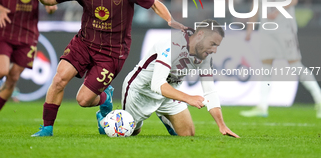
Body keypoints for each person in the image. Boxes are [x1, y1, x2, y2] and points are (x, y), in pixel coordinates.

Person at [23, 0, 185, 137]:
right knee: (58, 79)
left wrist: (170, 21)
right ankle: (47, 128)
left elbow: (153, 3)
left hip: (111, 52)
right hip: (83, 43)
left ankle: (105, 98)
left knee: (83, 100)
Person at [98, 20, 239, 137]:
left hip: (169, 93)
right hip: (142, 89)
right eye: (213, 44)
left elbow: (210, 92)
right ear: (200, 35)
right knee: (129, 131)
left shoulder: (204, 56)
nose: (214, 50)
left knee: (188, 135)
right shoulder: (174, 44)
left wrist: (222, 125)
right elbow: (157, 84)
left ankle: (165, 116)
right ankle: (105, 111)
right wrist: (188, 98)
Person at [240, 0, 321, 118]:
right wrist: (250, 27)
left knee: (295, 64)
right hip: (266, 28)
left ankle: (319, 99)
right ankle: (262, 106)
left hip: (284, 27)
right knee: (266, 66)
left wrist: (277, 10)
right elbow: (257, 3)